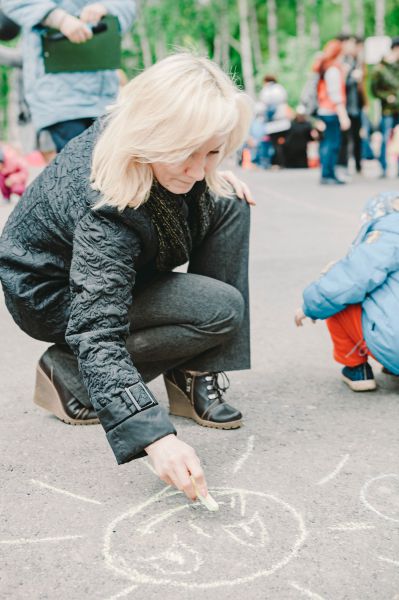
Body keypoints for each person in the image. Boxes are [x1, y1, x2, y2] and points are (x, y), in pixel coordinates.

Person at [0, 53, 254, 502]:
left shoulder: (145, 136)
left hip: (107, 268)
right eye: (186, 154)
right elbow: (97, 330)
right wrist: (154, 437)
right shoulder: (108, 206)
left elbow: (199, 169)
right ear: (154, 135)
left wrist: (210, 166)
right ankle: (68, 375)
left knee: (228, 200)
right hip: (54, 297)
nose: (198, 170)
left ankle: (194, 372)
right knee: (220, 310)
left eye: (212, 151)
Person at [2, 1, 135, 162]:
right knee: (75, 171)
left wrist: (106, 7)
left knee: (111, 169)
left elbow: (128, 6)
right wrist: (58, 18)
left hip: (104, 96)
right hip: (59, 98)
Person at [295, 191, 399, 391]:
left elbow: (352, 279)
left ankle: (356, 368)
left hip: (394, 345)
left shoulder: (388, 233)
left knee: (339, 296)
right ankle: (391, 366)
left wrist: (310, 306)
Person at [313, 39, 351, 185]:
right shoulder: (333, 70)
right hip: (331, 111)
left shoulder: (326, 68)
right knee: (332, 144)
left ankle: (327, 173)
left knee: (326, 143)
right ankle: (328, 174)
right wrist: (343, 115)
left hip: (324, 110)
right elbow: (336, 94)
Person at [336, 35, 367, 178]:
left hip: (356, 106)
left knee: (357, 137)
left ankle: (358, 165)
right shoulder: (342, 61)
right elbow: (340, 84)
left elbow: (362, 87)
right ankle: (342, 166)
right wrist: (350, 76)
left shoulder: (358, 61)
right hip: (345, 106)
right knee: (344, 138)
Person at [371, 37, 399, 178]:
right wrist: (387, 96)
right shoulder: (381, 68)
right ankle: (383, 166)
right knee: (385, 138)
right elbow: (374, 90)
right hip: (388, 109)